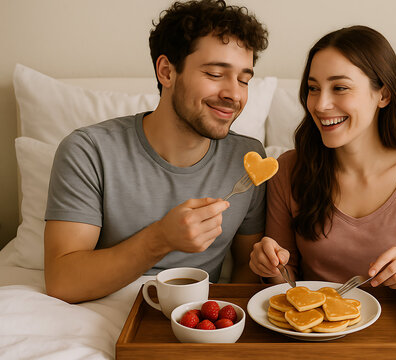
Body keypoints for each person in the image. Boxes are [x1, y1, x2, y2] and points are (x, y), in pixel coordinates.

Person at [44, 0, 269, 303]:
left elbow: (246, 267)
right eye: (216, 74)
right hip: (102, 307)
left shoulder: (248, 160)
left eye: (244, 79)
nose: (234, 94)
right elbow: (63, 282)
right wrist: (161, 238)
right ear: (166, 72)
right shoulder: (88, 151)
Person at [249, 25, 396, 298]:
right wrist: (270, 267)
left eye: (340, 87)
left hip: (395, 330)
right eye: (313, 88)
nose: (319, 104)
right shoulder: (290, 170)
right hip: (316, 329)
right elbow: (286, 279)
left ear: (384, 95)